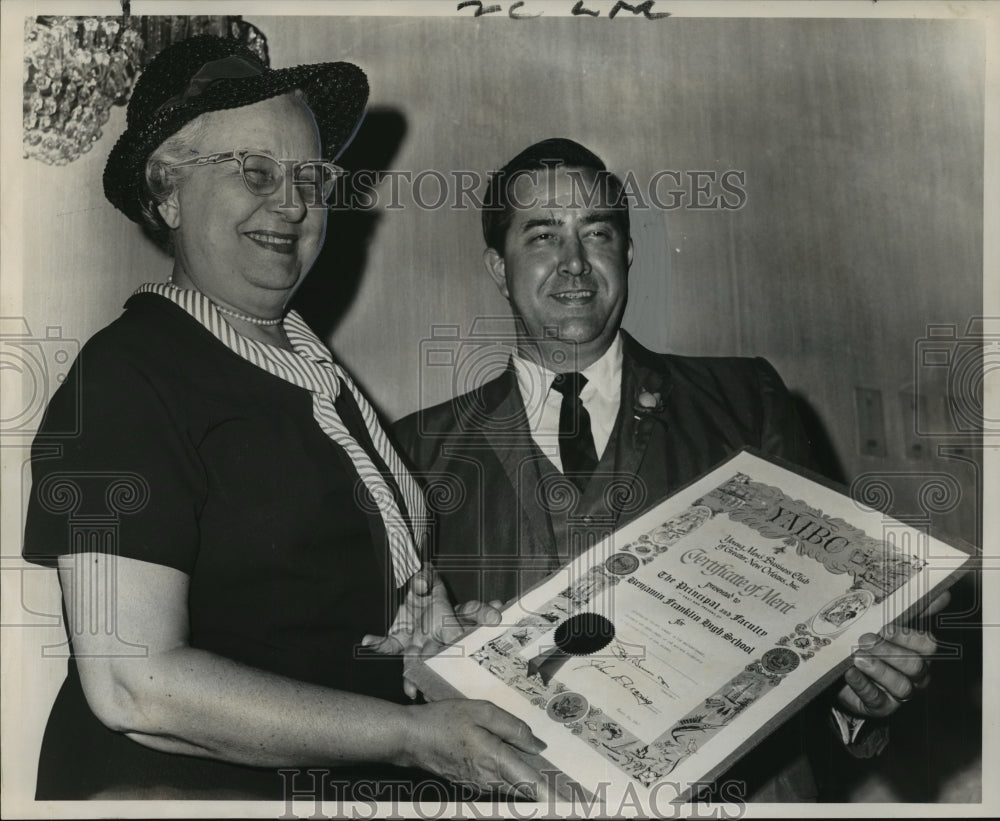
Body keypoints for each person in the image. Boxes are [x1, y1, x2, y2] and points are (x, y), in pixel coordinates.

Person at [21, 35, 548, 802]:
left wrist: (418, 650)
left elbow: (296, 616)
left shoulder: (316, 372)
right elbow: (133, 681)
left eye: (311, 177)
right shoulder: (124, 376)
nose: (295, 203)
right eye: (257, 173)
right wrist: (409, 738)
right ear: (167, 191)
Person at [393, 138, 945, 801]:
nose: (573, 262)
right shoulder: (416, 451)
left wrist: (860, 694)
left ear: (625, 252)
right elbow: (391, 690)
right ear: (496, 263)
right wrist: (428, 675)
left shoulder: (745, 401)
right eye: (542, 236)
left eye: (596, 232)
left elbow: (831, 629)